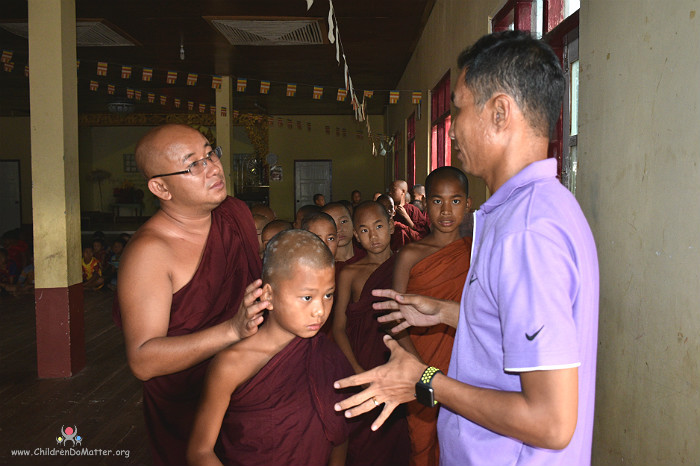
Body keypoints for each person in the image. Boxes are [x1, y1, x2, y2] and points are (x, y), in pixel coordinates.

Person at [334, 31, 599, 466]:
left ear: (499, 113)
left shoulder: (527, 232)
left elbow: (551, 423)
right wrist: (449, 313)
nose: (452, 128)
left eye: (457, 108)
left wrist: (426, 380)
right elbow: (517, 332)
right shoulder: (532, 209)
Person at [113, 123, 267, 466]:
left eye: (210, 152)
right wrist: (231, 330)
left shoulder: (235, 213)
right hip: (189, 404)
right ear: (160, 187)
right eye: (192, 164)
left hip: (253, 384)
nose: (212, 166)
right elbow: (142, 359)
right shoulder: (150, 252)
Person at [187, 230, 352, 466]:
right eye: (307, 297)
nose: (320, 310)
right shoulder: (232, 364)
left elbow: (339, 434)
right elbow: (200, 452)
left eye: (328, 295)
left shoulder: (327, 355)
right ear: (268, 295)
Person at [392, 167, 472, 466]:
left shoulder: (476, 252)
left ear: (468, 203)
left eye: (455, 201)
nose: (446, 211)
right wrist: (419, 369)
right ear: (425, 204)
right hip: (421, 361)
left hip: (467, 365)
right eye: (437, 201)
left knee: (462, 444)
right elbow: (394, 318)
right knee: (422, 445)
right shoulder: (410, 255)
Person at [332, 201, 410, 466]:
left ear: (391, 227)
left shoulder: (407, 262)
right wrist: (355, 368)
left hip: (398, 360)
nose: (373, 236)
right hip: (362, 360)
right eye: (364, 230)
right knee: (364, 443)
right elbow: (339, 327)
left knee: (398, 440)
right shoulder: (350, 273)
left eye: (378, 226)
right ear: (355, 235)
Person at [322, 202, 365, 268]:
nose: (339, 229)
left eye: (343, 221)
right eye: (332, 223)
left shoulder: (367, 257)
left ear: (353, 222)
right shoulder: (322, 266)